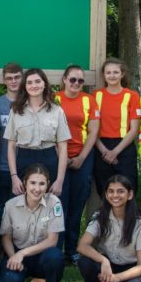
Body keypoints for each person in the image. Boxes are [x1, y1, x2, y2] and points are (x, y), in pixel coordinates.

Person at [0, 163, 66, 282]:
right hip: (17, 253)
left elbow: (52, 241)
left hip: (42, 255)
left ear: (47, 184)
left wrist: (22, 254)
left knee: (55, 257)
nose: (37, 188)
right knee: (9, 280)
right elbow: (6, 237)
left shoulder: (54, 203)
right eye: (33, 183)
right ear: (25, 183)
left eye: (42, 183)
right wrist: (14, 257)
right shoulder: (11, 205)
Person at [77, 175, 141, 282]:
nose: (115, 195)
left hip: (131, 268)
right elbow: (82, 245)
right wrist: (103, 260)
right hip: (108, 265)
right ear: (105, 194)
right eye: (111, 191)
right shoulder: (99, 217)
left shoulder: (140, 223)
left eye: (120, 191)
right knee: (85, 262)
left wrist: (117, 278)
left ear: (130, 194)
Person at [54, 64, 99, 263]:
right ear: (64, 79)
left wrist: (81, 157)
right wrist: (62, 158)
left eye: (80, 80)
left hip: (83, 157)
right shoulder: (54, 99)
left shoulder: (89, 101)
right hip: (57, 156)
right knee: (58, 205)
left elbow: (93, 131)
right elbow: (49, 130)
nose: (76, 84)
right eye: (72, 79)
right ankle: (55, 248)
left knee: (77, 205)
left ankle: (71, 251)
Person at [5, 68, 70, 198]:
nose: (34, 85)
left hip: (49, 158)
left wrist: (59, 180)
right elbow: (11, 146)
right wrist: (14, 177)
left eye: (37, 81)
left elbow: (63, 148)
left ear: (44, 84)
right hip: (24, 157)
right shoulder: (15, 110)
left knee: (49, 204)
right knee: (22, 204)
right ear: (24, 86)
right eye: (29, 82)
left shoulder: (57, 111)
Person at [93, 58, 141, 195]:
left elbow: (134, 129)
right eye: (108, 72)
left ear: (122, 74)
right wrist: (104, 151)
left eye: (115, 72)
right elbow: (92, 128)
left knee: (127, 189)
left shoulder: (132, 96)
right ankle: (106, 217)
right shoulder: (96, 95)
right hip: (101, 147)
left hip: (124, 147)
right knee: (104, 190)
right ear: (104, 75)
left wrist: (115, 152)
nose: (112, 75)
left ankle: (127, 217)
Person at [0, 62, 23, 227]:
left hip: (26, 166)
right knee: (2, 209)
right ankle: (2, 250)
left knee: (24, 210)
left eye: (17, 77)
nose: (13, 81)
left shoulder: (29, 102)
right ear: (4, 81)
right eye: (9, 78)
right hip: (3, 167)